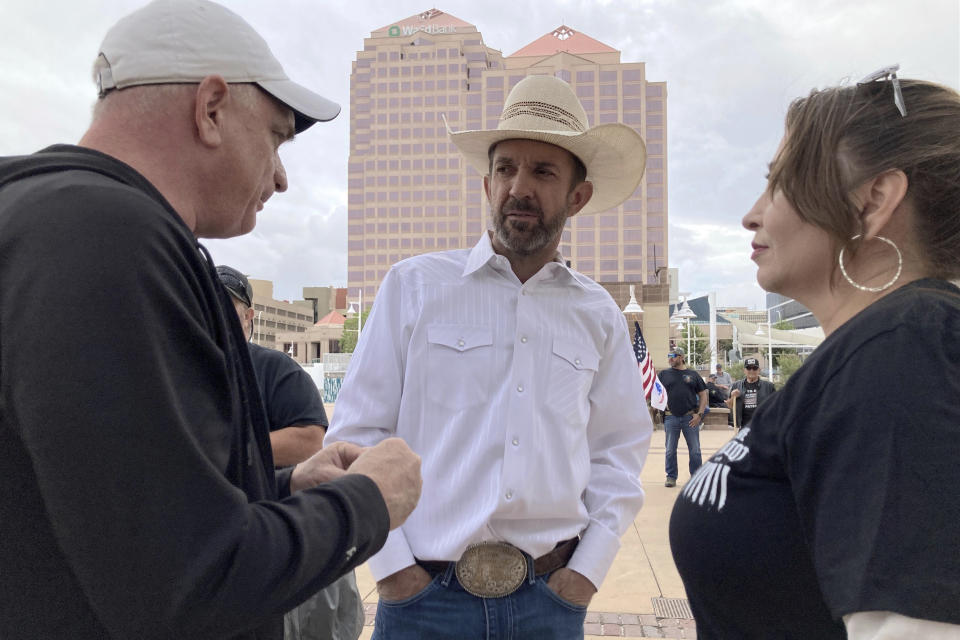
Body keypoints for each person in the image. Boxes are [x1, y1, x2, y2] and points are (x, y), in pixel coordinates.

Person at [0, 2, 422, 639]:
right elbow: (191, 585)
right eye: (278, 136)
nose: (281, 177)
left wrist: (281, 486)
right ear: (212, 108)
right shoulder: (110, 236)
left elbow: (111, 521)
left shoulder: (47, 217)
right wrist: (369, 503)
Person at [325, 75, 652, 639]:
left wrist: (584, 576)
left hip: (548, 605)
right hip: (423, 602)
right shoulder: (414, 287)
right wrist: (394, 570)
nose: (518, 187)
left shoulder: (598, 314)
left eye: (543, 171)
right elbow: (357, 436)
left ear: (579, 196)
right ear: (486, 183)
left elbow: (618, 453)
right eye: (506, 169)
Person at [670, 70, 960, 639]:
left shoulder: (905, 346)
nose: (751, 214)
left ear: (872, 201)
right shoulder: (867, 352)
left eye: (779, 183)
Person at [218, 265, 364, 640]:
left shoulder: (273, 368)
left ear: (249, 317)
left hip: (276, 531)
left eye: (228, 309)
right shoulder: (180, 369)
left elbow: (310, 439)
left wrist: (220, 449)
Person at [656, 346, 707, 487]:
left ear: (682, 357)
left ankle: (696, 477)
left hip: (690, 418)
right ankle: (671, 476)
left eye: (673, 355)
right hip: (670, 417)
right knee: (670, 450)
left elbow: (703, 395)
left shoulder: (693, 375)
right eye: (669, 355)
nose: (670, 358)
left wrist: (699, 414)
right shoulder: (663, 374)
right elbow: (657, 392)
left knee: (695, 450)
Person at [727, 357, 776, 428]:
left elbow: (776, 406)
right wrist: (732, 397)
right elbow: (730, 406)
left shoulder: (769, 386)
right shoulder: (736, 385)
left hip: (763, 425)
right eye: (749, 368)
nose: (751, 370)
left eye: (754, 368)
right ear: (744, 370)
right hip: (744, 426)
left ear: (759, 370)